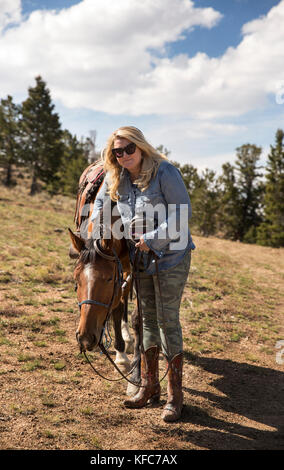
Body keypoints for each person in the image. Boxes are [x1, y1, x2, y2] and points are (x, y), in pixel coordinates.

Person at [91, 126, 195, 422]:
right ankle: (150, 387)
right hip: (140, 259)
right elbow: (99, 205)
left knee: (166, 319)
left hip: (171, 256)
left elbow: (182, 214)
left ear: (141, 147)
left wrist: (153, 239)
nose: (123, 156)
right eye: (117, 152)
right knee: (146, 318)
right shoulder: (117, 177)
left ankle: (176, 396)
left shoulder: (165, 172)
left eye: (128, 149)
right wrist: (100, 231)